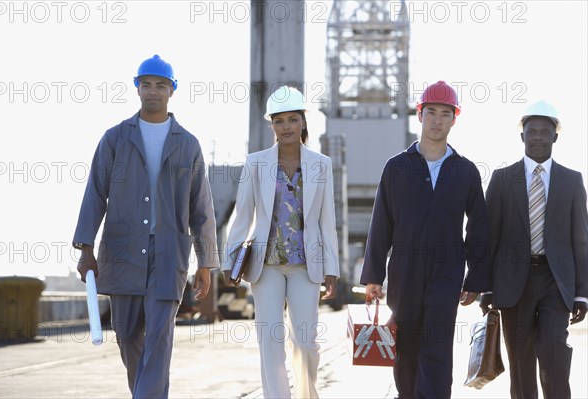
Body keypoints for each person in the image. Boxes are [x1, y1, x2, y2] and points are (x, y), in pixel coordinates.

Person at [72, 54, 219, 399]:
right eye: (147, 84)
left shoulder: (188, 143)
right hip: (122, 250)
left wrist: (207, 263)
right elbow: (95, 193)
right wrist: (85, 249)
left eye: (161, 85)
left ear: (172, 91)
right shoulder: (114, 138)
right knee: (127, 337)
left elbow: (201, 208)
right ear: (137, 88)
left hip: (169, 254)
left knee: (159, 337)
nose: (154, 91)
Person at [360, 80, 490, 398]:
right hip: (404, 269)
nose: (437, 120)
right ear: (420, 115)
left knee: (437, 348)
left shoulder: (465, 171)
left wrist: (476, 278)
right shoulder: (397, 167)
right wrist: (373, 276)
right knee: (404, 348)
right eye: (431, 112)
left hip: (447, 271)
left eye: (445, 113)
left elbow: (479, 228)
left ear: (454, 119)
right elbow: (381, 223)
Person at [221, 86, 340, 398]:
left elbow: (326, 220)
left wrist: (333, 268)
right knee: (270, 339)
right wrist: (228, 261)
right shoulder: (255, 163)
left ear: (303, 122)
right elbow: (243, 215)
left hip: (306, 265)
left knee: (305, 341)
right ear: (271, 125)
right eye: (279, 121)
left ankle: (306, 393)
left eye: (292, 119)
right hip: (266, 266)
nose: (286, 126)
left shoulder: (321, 164)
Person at [480, 100, 588, 398]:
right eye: (532, 132)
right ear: (522, 136)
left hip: (557, 282)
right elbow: (490, 238)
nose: (538, 137)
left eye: (545, 131)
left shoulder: (572, 180)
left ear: (555, 136)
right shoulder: (502, 180)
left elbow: (581, 240)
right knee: (520, 364)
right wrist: (485, 287)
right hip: (514, 284)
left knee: (555, 356)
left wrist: (581, 292)